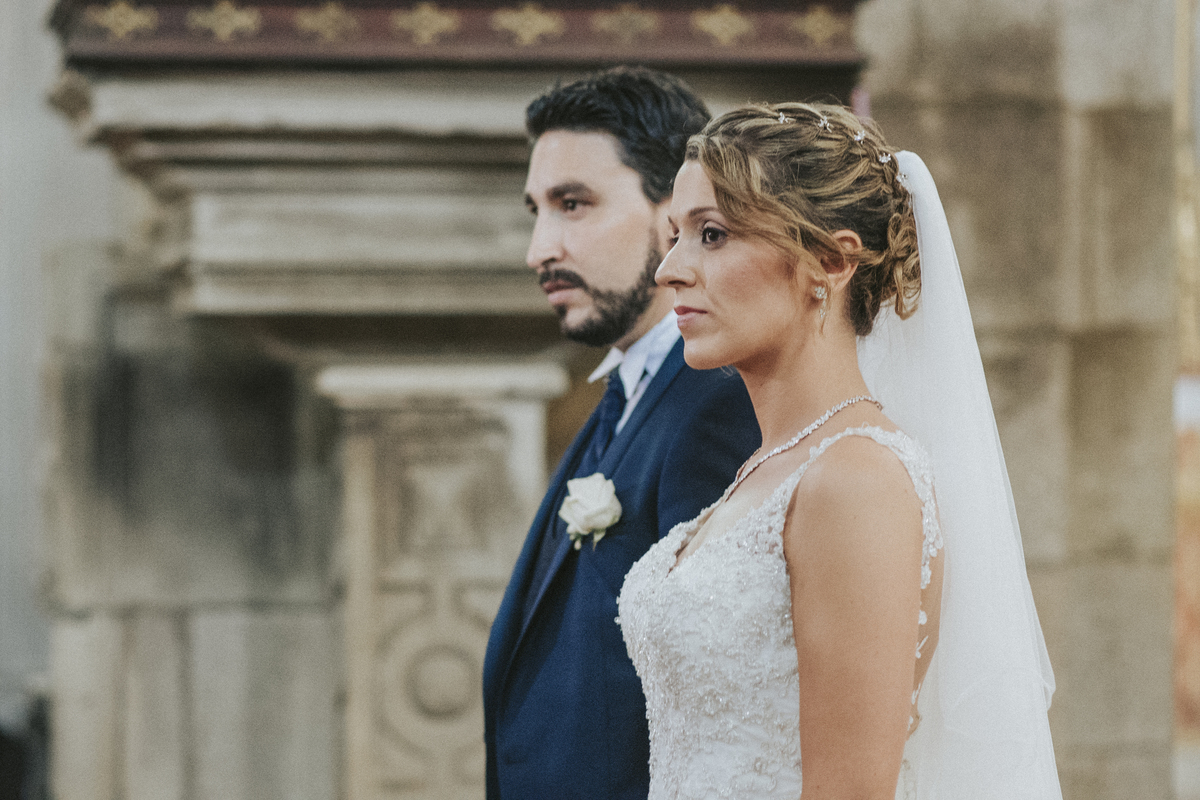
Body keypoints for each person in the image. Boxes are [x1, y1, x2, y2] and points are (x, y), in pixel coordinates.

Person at [617, 102, 1062, 799]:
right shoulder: (767, 468)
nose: (670, 270)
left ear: (830, 260)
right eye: (675, 237)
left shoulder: (857, 480)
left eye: (712, 235)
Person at [482, 67, 761, 800]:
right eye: (537, 211)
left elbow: (720, 703)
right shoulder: (624, 395)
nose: (540, 249)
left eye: (573, 204)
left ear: (677, 212)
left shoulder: (720, 406)